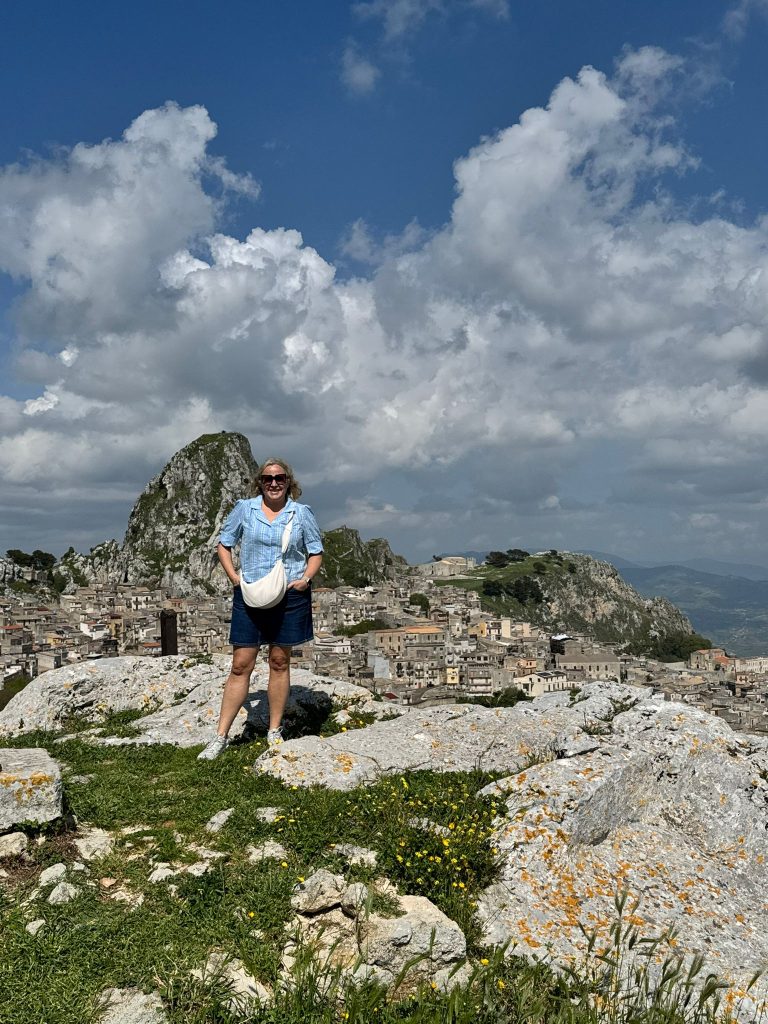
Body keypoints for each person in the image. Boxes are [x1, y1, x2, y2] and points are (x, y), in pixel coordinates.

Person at [197, 458, 324, 760]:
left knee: (279, 661)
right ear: (260, 483)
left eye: (279, 478)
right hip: (250, 593)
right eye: (268, 478)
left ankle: (274, 730)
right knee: (241, 663)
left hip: (288, 595)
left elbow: (316, 551)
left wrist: (305, 579)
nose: (274, 483)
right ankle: (220, 736)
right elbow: (224, 544)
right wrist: (234, 578)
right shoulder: (245, 509)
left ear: (288, 482)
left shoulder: (301, 513)